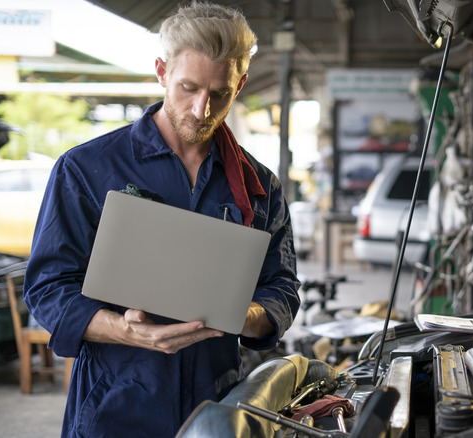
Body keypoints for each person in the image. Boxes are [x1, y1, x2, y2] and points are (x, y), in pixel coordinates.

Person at [23, 2, 301, 436]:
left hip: (215, 407)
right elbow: (48, 289)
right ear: (161, 71)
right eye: (188, 87)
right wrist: (125, 331)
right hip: (114, 404)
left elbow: (281, 287)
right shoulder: (86, 169)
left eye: (220, 94)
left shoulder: (257, 185)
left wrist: (240, 315)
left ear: (241, 83)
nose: (201, 110)